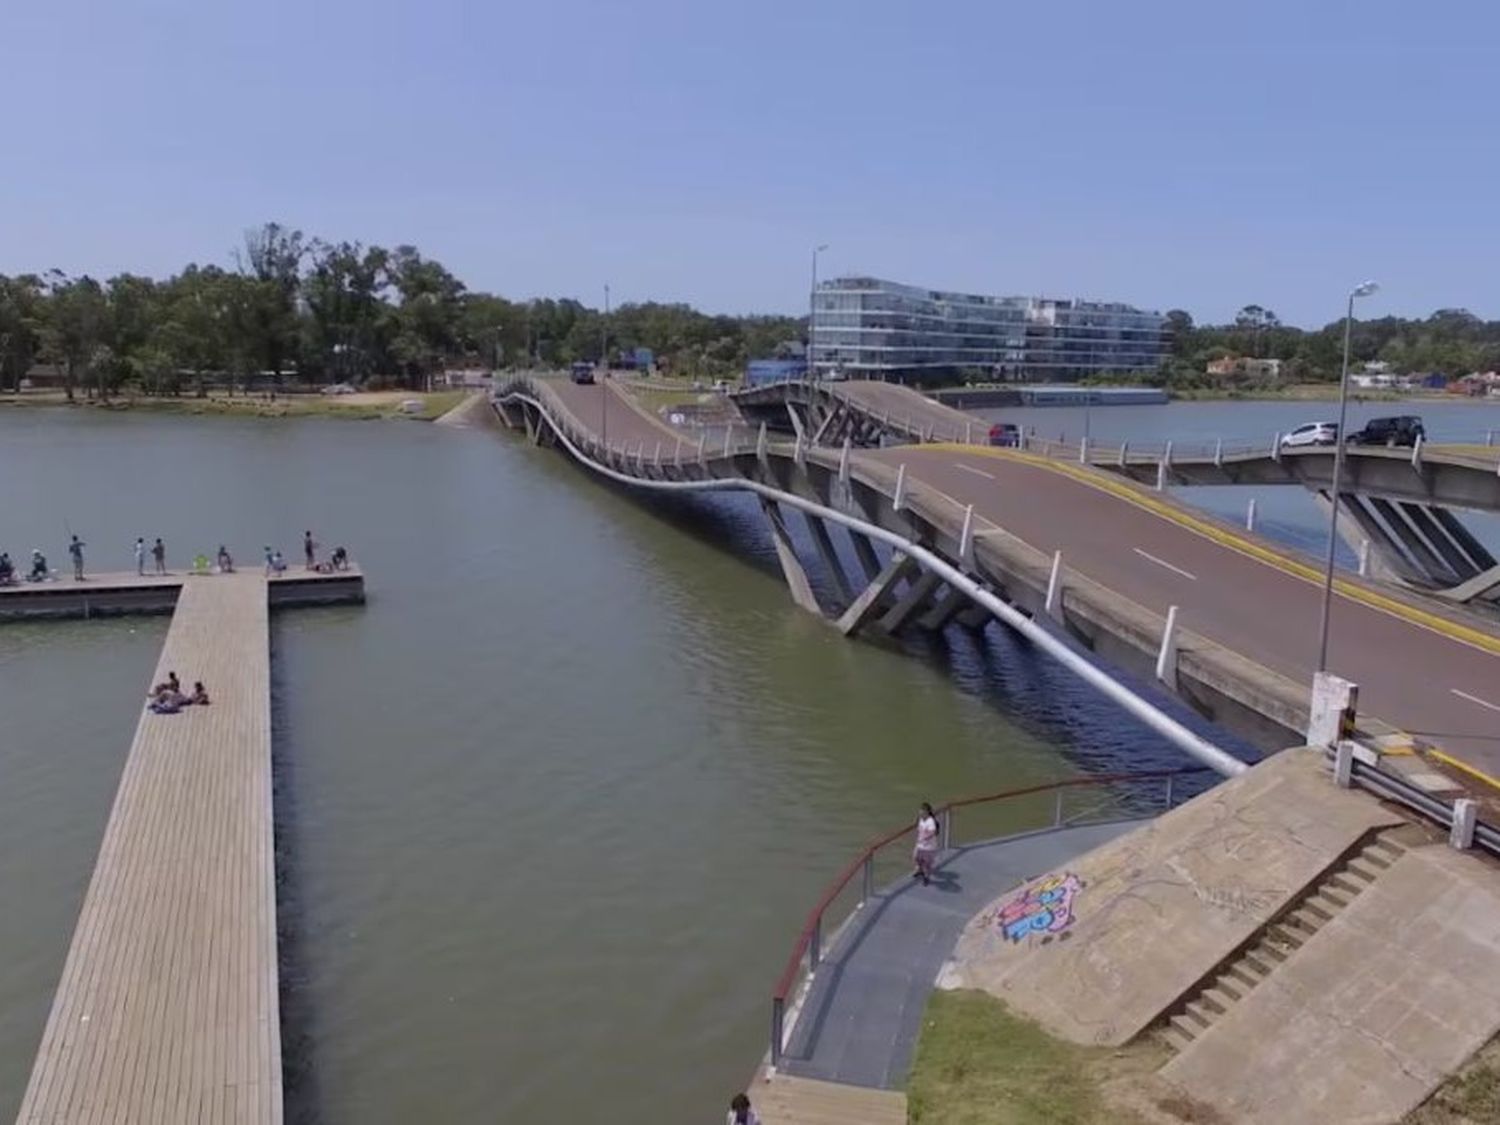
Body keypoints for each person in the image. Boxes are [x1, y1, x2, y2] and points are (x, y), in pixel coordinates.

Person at [912, 802, 941, 887]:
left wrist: (925, 838)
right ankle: (919, 870)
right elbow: (916, 827)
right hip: (920, 844)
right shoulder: (920, 819)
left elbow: (933, 832)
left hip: (929, 846)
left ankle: (926, 878)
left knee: (926, 864)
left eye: (922, 811)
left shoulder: (931, 821)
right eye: (920, 811)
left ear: (927, 812)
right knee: (916, 857)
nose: (920, 813)